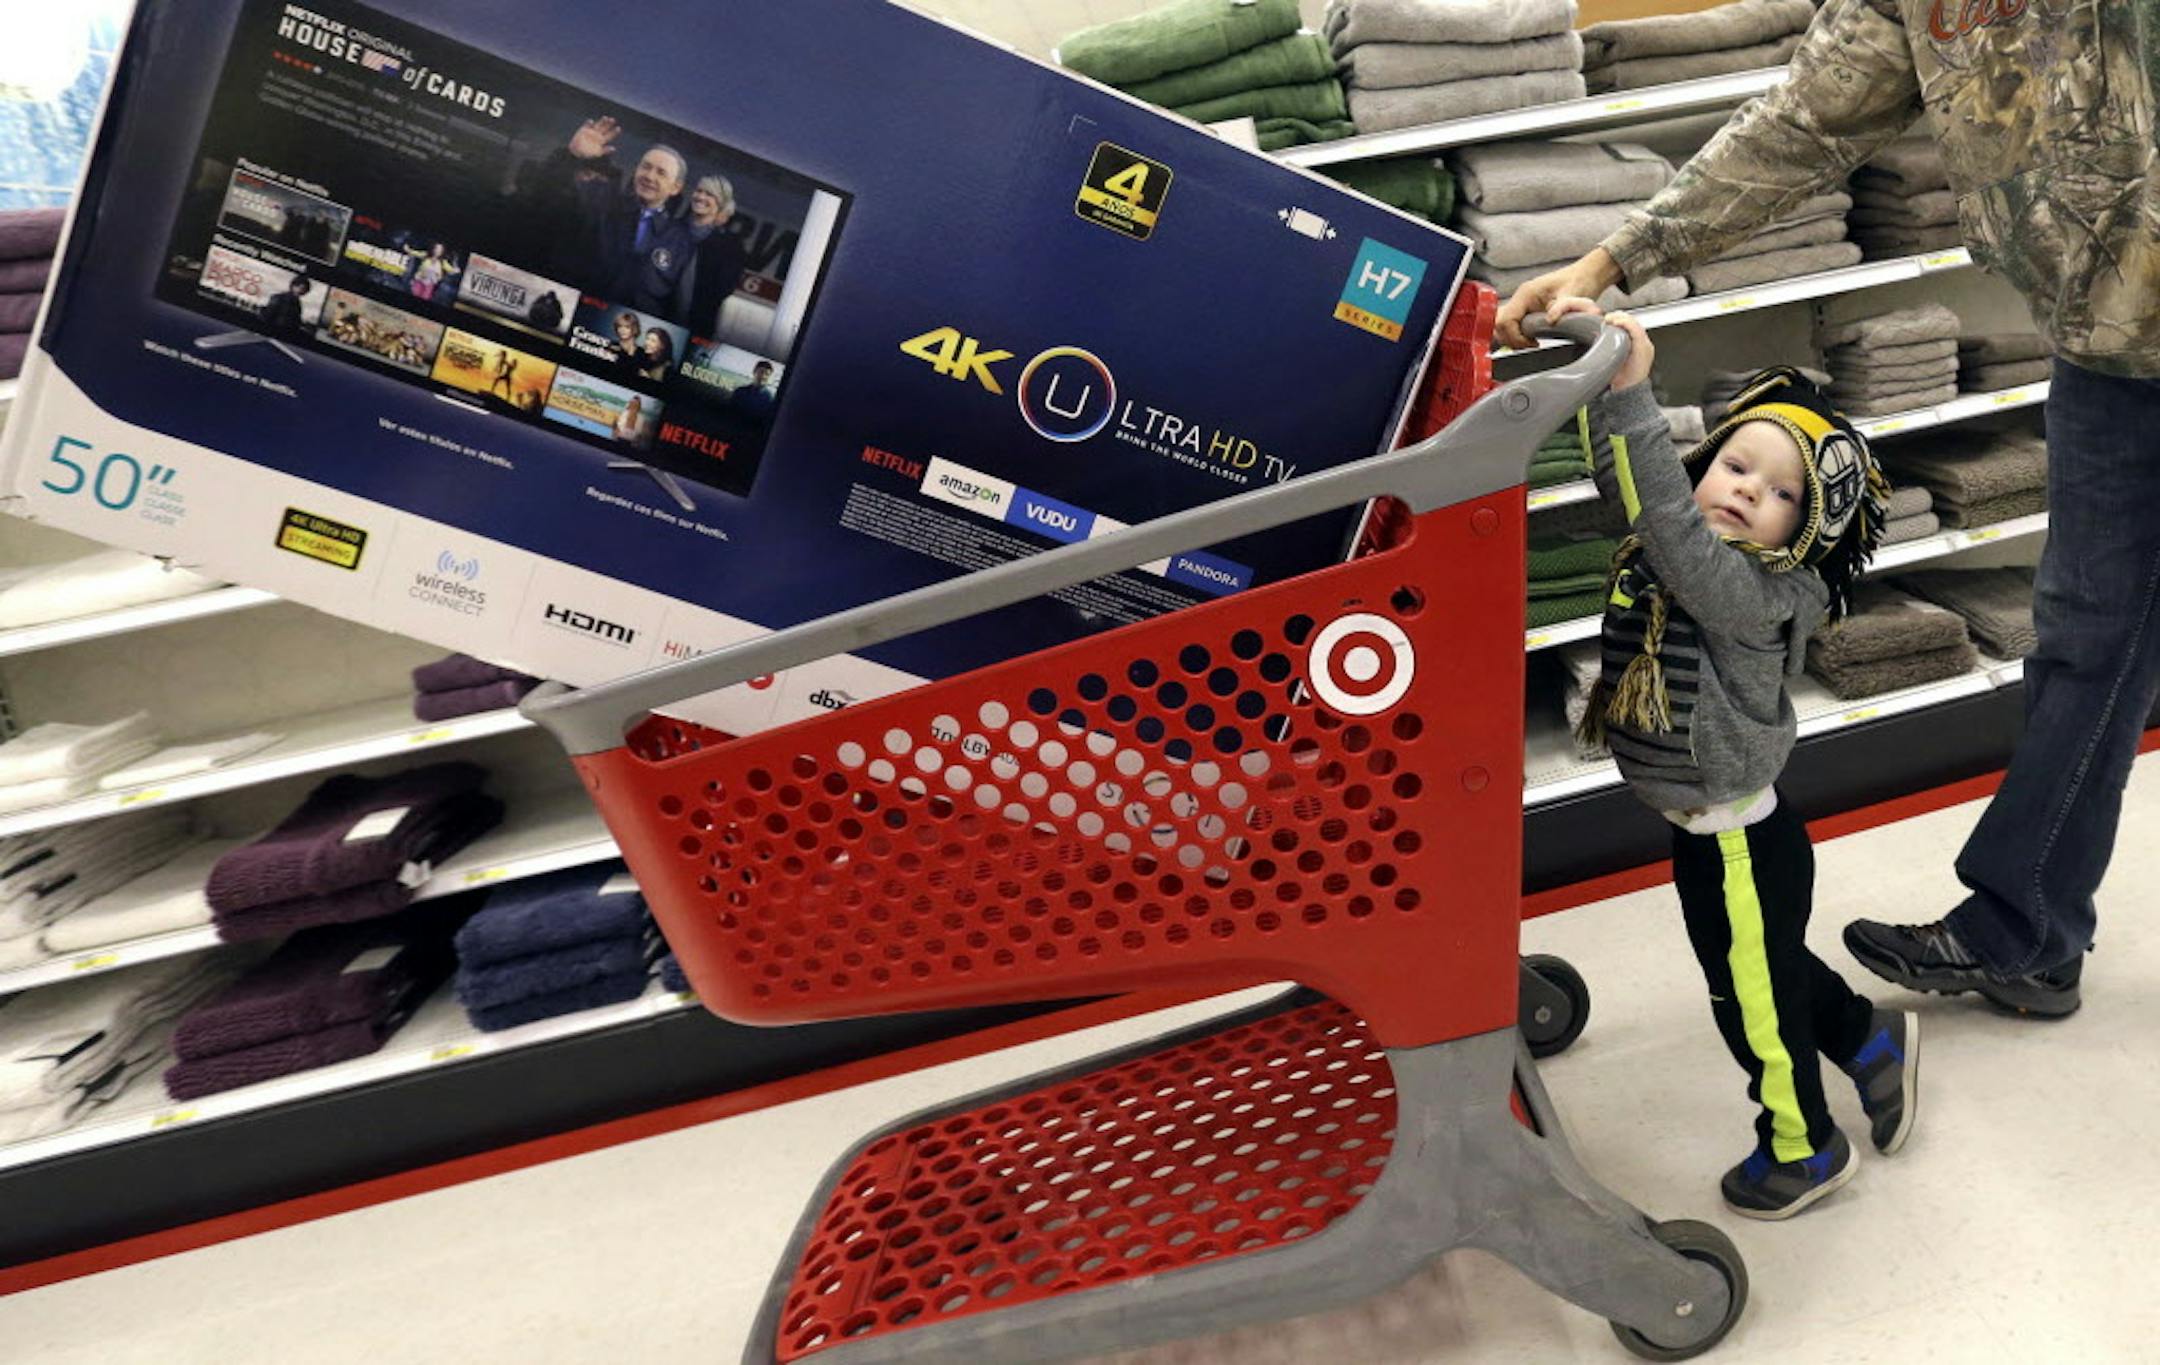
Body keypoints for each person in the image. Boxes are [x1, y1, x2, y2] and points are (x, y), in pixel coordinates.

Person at [1495, 6, 2159, 1020]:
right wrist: (1616, 259)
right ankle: (2025, 931)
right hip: (2112, 352)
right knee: (2085, 637)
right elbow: (1809, 120)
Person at [1561, 297, 1915, 1219]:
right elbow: (1633, 492)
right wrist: (1608, 374)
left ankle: (1804, 1146)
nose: (1749, 489)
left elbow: (1669, 525)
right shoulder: (1680, 547)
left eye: (1784, 492)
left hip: (1739, 846)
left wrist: (1636, 391)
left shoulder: (1753, 590)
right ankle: (1870, 1042)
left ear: (1809, 534)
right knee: (1765, 968)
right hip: (1710, 833)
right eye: (1737, 462)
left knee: (1748, 1004)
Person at [534, 115, 697, 322]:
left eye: (661, 173)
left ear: (676, 188)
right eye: (645, 167)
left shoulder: (682, 242)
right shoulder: (600, 200)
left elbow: (679, 311)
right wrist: (571, 157)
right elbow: (545, 197)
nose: (650, 176)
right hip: (570, 318)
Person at [679, 173, 748, 340]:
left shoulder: (731, 246)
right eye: (699, 191)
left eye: (709, 194)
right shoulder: (672, 227)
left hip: (695, 327)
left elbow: (723, 288)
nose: (701, 197)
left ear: (721, 204)